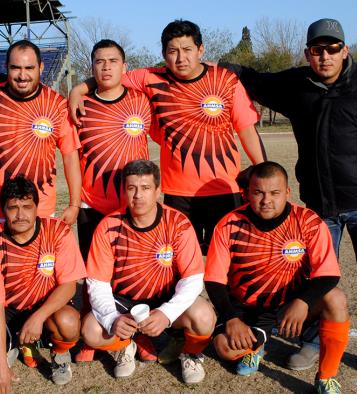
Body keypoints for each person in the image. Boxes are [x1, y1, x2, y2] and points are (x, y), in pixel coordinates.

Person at [220, 18, 357, 382]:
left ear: (345, 50)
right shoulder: (298, 85)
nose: (324, 57)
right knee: (310, 276)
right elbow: (257, 80)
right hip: (319, 206)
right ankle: (310, 341)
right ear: (308, 53)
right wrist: (222, 68)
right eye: (316, 50)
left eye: (332, 49)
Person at [69, 20, 266, 257]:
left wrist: (264, 173)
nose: (181, 58)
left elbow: (247, 131)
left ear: (200, 50)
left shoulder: (226, 80)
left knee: (230, 262)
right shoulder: (151, 78)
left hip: (225, 190)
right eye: (173, 51)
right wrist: (78, 89)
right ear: (164, 54)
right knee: (178, 264)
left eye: (187, 49)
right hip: (177, 195)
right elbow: (110, 75)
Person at [205, 162, 350, 394]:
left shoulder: (308, 221)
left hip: (292, 304)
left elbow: (329, 274)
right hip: (249, 308)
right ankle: (255, 347)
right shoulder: (228, 224)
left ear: (287, 193)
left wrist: (302, 302)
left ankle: (327, 376)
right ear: (247, 193)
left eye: (274, 193)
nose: (266, 200)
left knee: (336, 299)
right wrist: (232, 319)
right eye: (258, 193)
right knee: (224, 348)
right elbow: (214, 280)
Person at [81, 160, 215, 385]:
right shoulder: (108, 226)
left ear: (157, 191)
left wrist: (166, 313)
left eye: (145, 188)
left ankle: (190, 352)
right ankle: (126, 346)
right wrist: (113, 319)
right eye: (131, 188)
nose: (138, 195)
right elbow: (97, 283)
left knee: (204, 316)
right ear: (124, 191)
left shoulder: (178, 223)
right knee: (90, 330)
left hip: (166, 297)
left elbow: (192, 279)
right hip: (124, 301)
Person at [0, 176, 86, 390]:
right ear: (3, 209)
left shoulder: (58, 231)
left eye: (27, 206)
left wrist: (38, 317)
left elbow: (69, 285)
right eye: (13, 207)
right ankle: (7, 348)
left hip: (45, 307)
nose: (21, 215)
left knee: (69, 322)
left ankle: (59, 353)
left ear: (36, 207)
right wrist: (2, 367)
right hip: (7, 310)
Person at [70, 39, 154, 363]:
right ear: (91, 68)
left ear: (124, 66)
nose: (106, 67)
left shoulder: (142, 102)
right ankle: (95, 336)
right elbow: (72, 157)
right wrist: (79, 90)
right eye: (99, 61)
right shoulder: (80, 105)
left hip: (133, 206)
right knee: (95, 275)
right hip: (93, 204)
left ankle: (142, 333)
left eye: (112, 61)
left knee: (135, 272)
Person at [0, 39, 81, 237]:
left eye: (29, 68)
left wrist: (74, 204)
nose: (23, 75)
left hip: (39, 209)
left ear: (40, 67)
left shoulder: (58, 105)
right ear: (5, 67)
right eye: (16, 68)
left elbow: (70, 156)